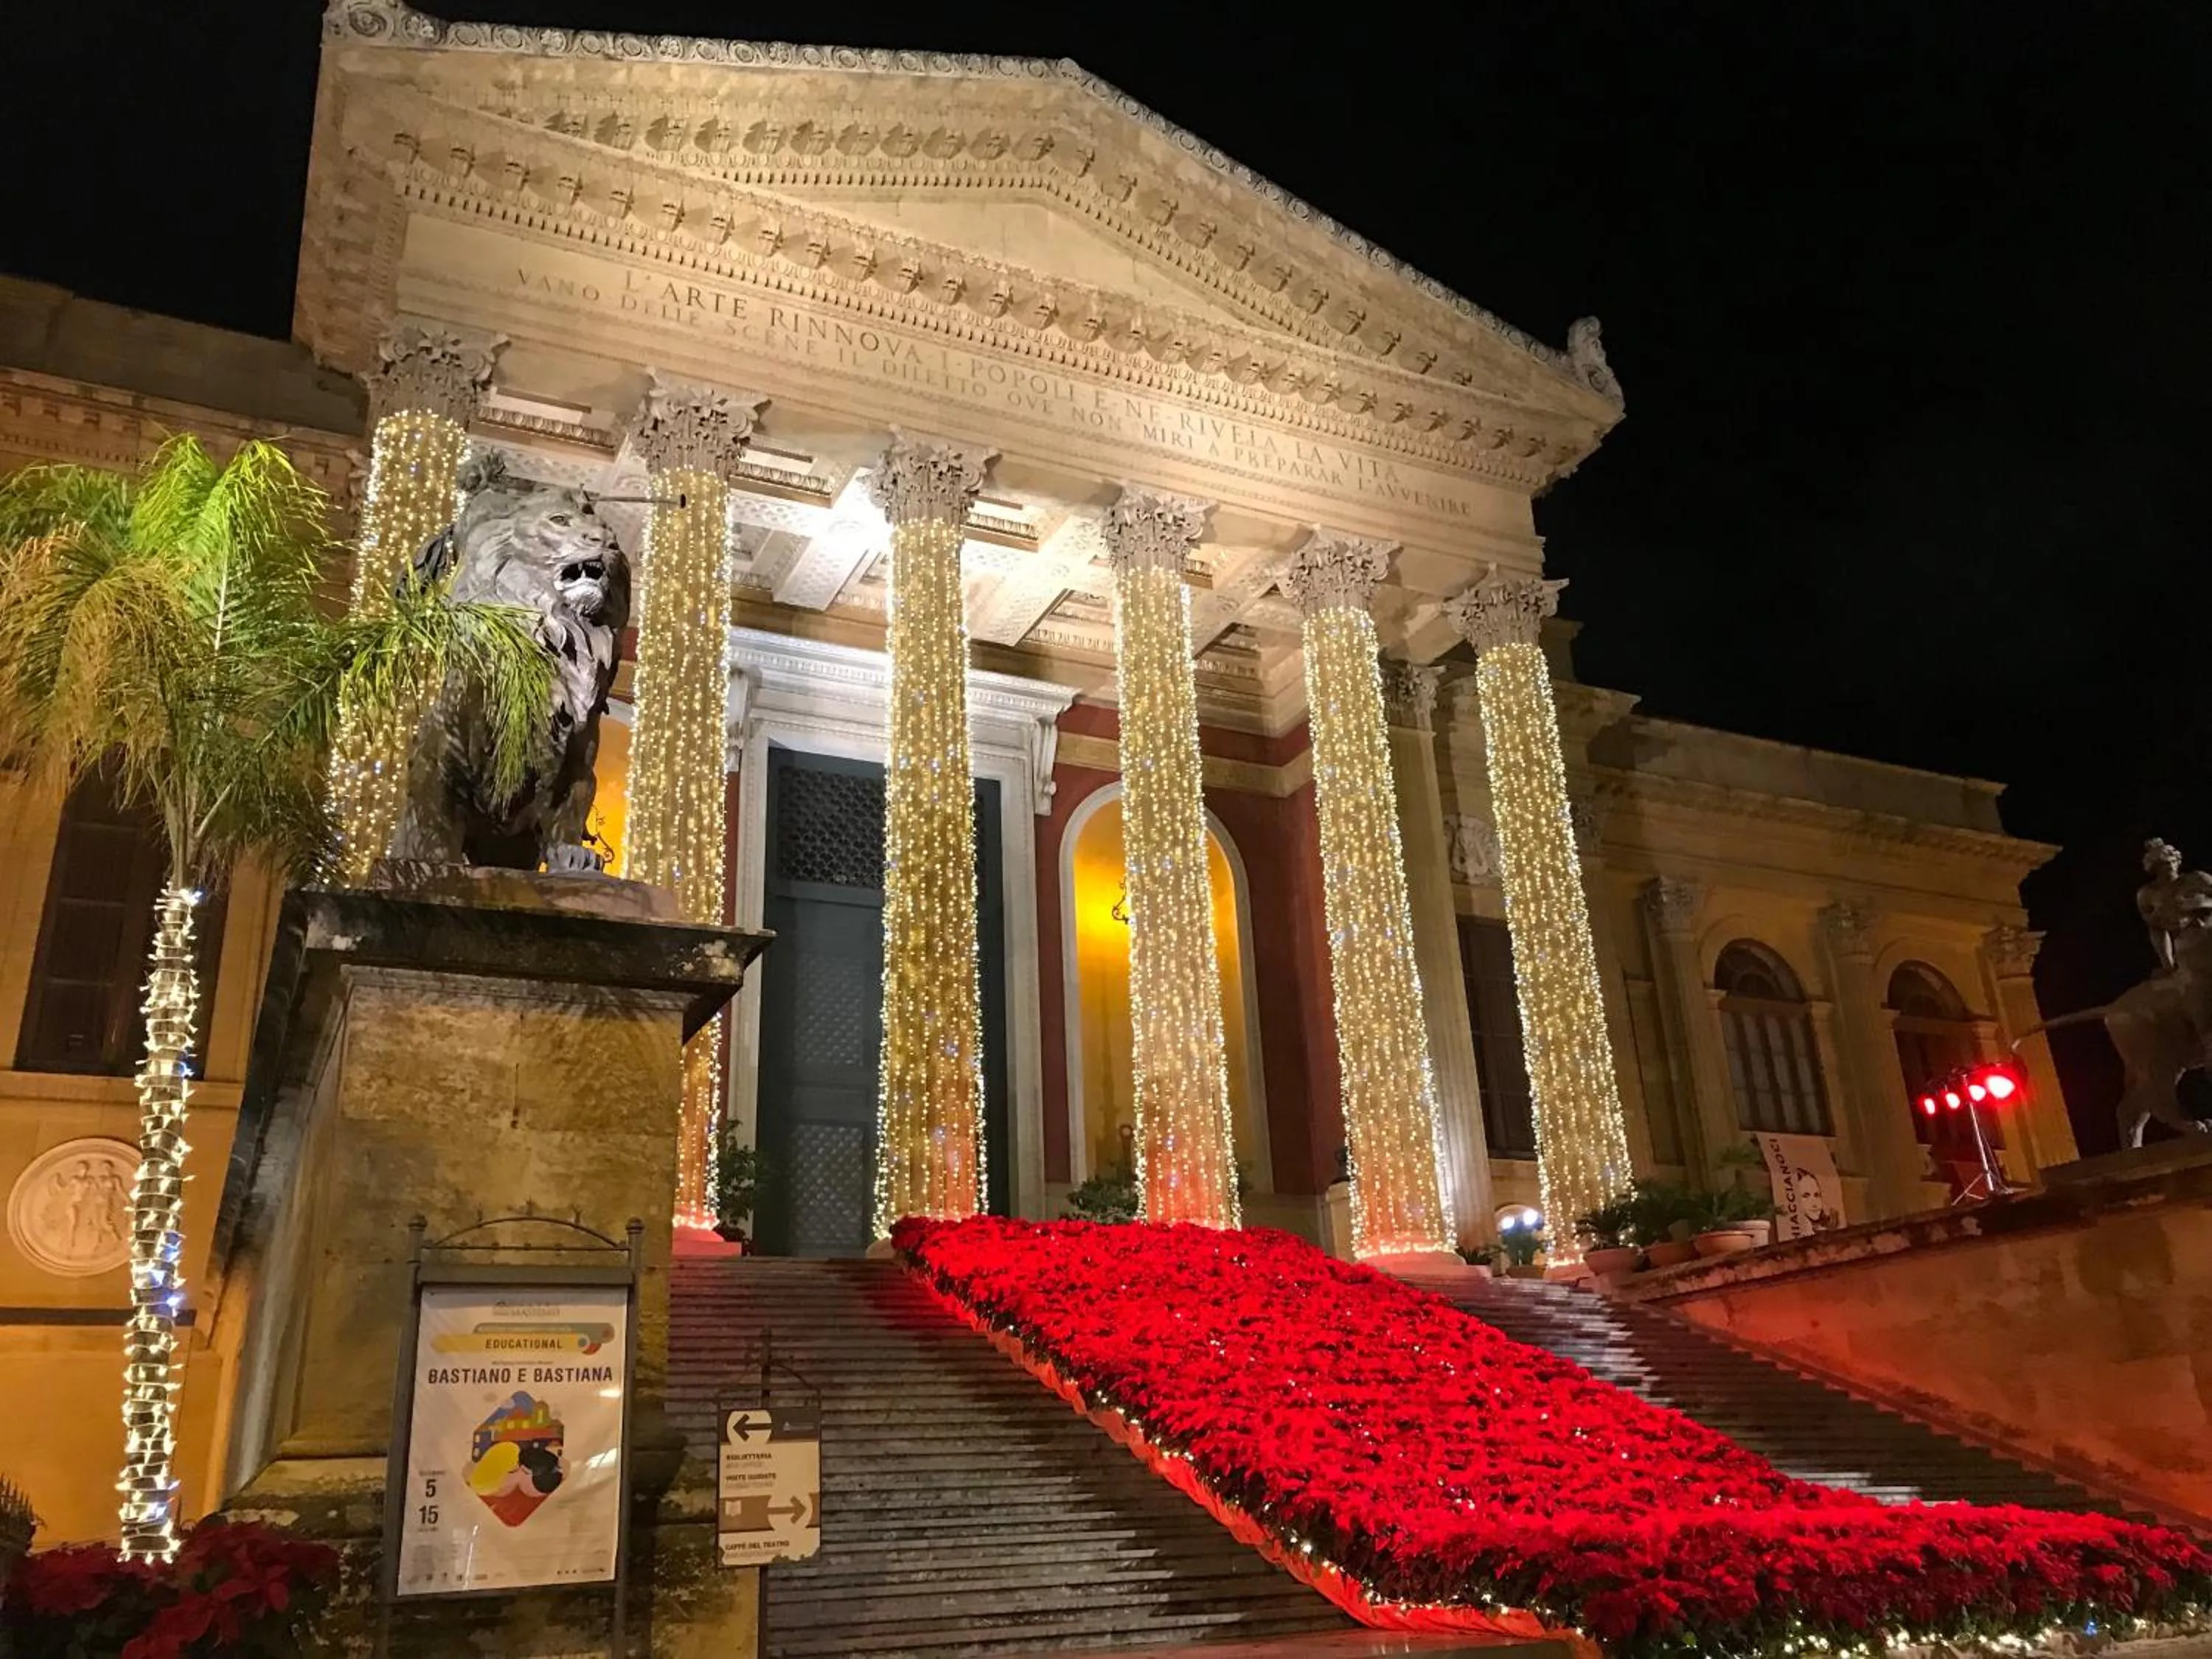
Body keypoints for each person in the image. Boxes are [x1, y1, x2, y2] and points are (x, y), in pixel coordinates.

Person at [2136, 838, 2212, 974]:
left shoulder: (2197, 879)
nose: (2171, 866)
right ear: (2155, 868)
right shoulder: (2148, 894)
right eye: (2165, 864)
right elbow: (2153, 925)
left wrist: (2201, 904)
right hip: (2185, 945)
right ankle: (2169, 967)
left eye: (2173, 861)